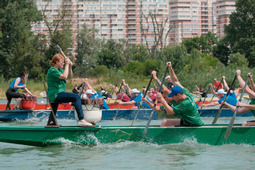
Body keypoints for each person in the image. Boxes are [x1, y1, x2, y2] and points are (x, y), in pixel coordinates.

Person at [142, 62, 204, 127]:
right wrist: (170, 68)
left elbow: (170, 112)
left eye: (173, 96)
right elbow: (175, 81)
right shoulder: (185, 93)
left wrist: (161, 98)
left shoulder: (185, 103)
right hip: (186, 121)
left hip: (194, 124)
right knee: (165, 122)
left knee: (167, 122)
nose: (172, 98)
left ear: (179, 95)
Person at [47, 53, 92, 126]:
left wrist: (70, 67)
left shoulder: (59, 70)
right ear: (57, 62)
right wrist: (67, 64)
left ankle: (52, 123)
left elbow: (70, 75)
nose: (63, 63)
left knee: (75, 97)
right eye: (62, 62)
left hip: (58, 93)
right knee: (76, 97)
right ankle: (81, 119)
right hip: (55, 95)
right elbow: (64, 76)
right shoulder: (52, 70)